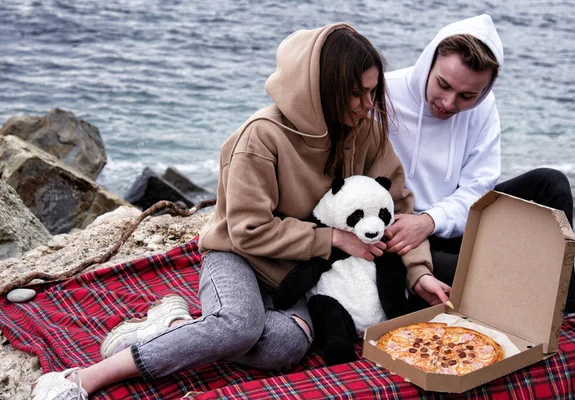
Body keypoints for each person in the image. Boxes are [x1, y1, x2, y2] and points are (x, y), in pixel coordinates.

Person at [31, 23, 445, 399]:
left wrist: (418, 272)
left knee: (287, 347)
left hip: (302, 272)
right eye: (356, 93)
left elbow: (399, 209)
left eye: (372, 92)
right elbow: (247, 230)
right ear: (319, 86)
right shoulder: (260, 137)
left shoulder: (367, 132)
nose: (366, 104)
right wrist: (333, 238)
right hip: (238, 256)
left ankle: (175, 327)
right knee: (238, 326)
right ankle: (87, 376)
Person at [383, 14, 575, 313]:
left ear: (484, 90)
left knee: (550, 183)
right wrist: (416, 224)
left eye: (466, 95)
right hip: (406, 238)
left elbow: (478, 189)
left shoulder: (483, 105)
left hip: (456, 223)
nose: (448, 103)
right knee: (496, 276)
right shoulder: (384, 95)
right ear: (429, 62)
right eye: (443, 85)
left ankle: (566, 313)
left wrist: (431, 221)